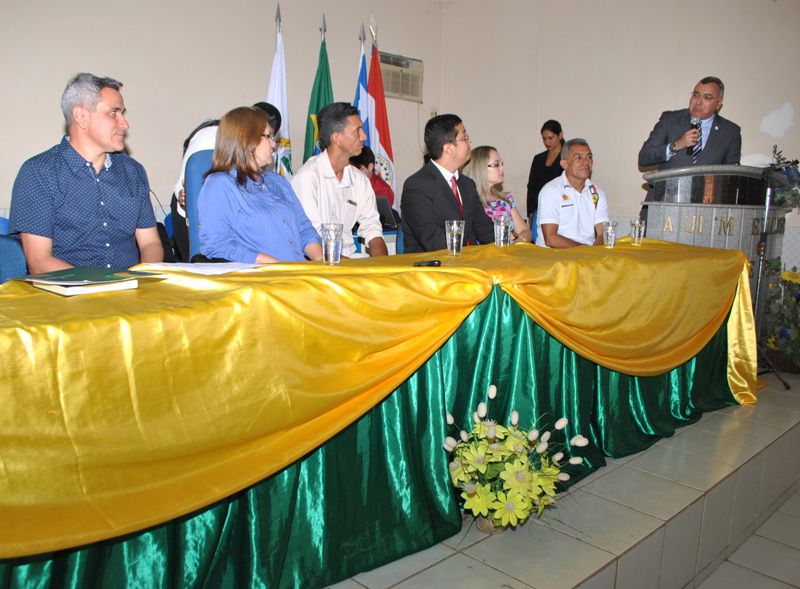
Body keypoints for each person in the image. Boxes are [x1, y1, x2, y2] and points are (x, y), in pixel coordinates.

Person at [8, 72, 163, 273]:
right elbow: (39, 261)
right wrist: (106, 286)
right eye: (113, 113)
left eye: (123, 114)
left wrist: (141, 278)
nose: (125, 124)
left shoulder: (133, 172)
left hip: (130, 294)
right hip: (68, 297)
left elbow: (151, 244)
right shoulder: (39, 173)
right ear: (80, 116)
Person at [197, 106, 321, 263]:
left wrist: (325, 267)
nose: (274, 144)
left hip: (298, 275)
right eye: (268, 136)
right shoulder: (219, 185)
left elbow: (304, 229)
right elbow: (217, 245)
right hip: (260, 281)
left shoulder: (278, 182)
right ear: (247, 140)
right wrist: (278, 266)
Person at [172, 103, 283, 261]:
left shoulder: (275, 182)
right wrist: (186, 195)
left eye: (272, 134)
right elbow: (188, 182)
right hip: (192, 217)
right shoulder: (209, 137)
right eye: (265, 134)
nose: (272, 143)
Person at [291, 102, 387, 257]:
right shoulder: (307, 178)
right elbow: (313, 242)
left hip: (350, 261)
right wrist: (356, 273)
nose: (364, 136)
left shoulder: (359, 180)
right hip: (318, 266)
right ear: (336, 138)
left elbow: (373, 229)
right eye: (357, 131)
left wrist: (382, 269)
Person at [400, 114, 494, 252]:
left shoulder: (467, 184)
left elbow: (485, 230)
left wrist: (510, 242)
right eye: (464, 137)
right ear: (448, 148)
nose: (470, 141)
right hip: (435, 267)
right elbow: (433, 242)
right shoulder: (417, 186)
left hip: (470, 264)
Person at [638, 76, 741, 173]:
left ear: (718, 103)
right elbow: (644, 157)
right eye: (696, 95)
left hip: (706, 191)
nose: (698, 102)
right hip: (667, 190)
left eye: (707, 98)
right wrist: (676, 146)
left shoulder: (731, 132)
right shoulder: (669, 120)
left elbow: (732, 174)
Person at [536, 138, 609, 248]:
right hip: (554, 257)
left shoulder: (597, 193)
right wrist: (584, 250)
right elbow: (551, 239)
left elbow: (603, 233)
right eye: (579, 157)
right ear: (564, 164)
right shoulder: (551, 191)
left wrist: (596, 249)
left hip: (586, 256)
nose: (586, 162)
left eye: (589, 157)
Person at [463, 145, 532, 243]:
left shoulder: (506, 199)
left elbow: (525, 231)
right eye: (496, 165)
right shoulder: (470, 201)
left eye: (502, 164)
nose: (502, 168)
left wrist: (517, 243)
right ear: (480, 168)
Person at [526, 120, 564, 218]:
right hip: (538, 210)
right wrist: (530, 212)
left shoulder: (568, 158)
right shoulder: (538, 159)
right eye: (544, 139)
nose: (547, 142)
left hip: (560, 210)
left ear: (560, 135)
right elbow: (531, 187)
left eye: (550, 138)